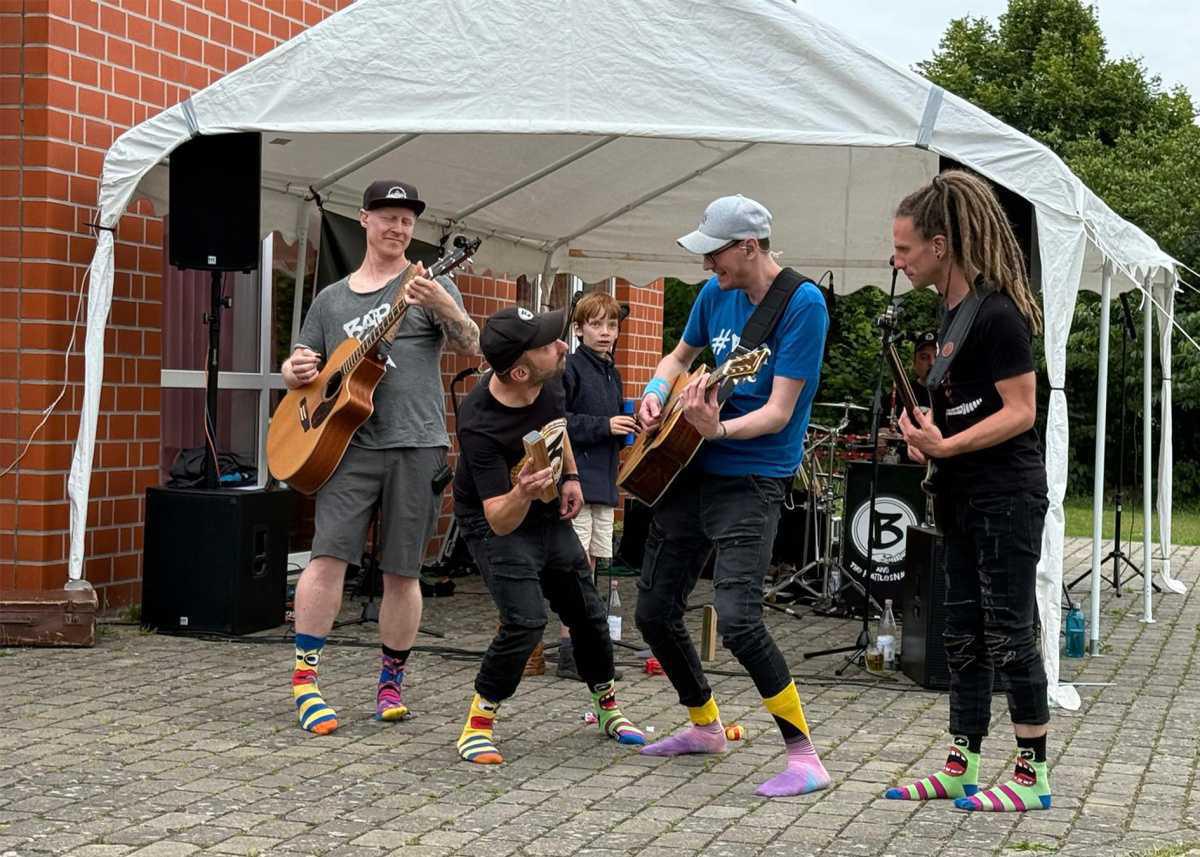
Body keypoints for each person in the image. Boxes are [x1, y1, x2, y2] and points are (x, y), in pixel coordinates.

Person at [635, 195, 831, 798]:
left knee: (741, 620)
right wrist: (656, 389)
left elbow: (776, 412)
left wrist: (718, 428)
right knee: (653, 611)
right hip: (689, 467)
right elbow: (678, 355)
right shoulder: (712, 295)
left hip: (753, 475)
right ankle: (704, 726)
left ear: (749, 246)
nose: (706, 265)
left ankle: (805, 756)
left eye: (714, 253)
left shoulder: (802, 304)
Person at [283, 179, 481, 735]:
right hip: (345, 444)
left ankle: (390, 680)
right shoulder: (331, 299)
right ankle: (305, 681)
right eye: (388, 217)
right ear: (365, 220)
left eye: (408, 220)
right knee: (327, 557)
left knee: (403, 569)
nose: (398, 228)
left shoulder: (425, 284)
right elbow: (304, 360)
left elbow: (472, 345)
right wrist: (294, 367)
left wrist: (444, 301)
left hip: (417, 443)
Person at [887, 170, 1052, 812]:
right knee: (961, 629)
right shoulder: (950, 311)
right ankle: (963, 761)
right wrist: (924, 434)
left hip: (1005, 493)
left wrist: (947, 446)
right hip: (958, 490)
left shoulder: (1000, 312)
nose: (896, 262)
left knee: (1009, 629)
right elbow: (961, 409)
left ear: (940, 244)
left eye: (903, 250)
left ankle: (1033, 771)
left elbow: (1020, 410)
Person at [452, 306, 644, 764]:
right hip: (496, 518)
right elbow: (497, 517)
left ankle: (607, 707)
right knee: (524, 621)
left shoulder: (552, 381)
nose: (562, 346)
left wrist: (572, 478)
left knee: (588, 612)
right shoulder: (479, 423)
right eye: (547, 344)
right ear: (519, 370)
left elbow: (560, 432)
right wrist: (521, 492)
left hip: (545, 508)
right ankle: (477, 723)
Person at [556, 291, 637, 681]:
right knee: (574, 567)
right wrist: (604, 426)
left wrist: (630, 431)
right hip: (577, 482)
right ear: (578, 329)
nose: (605, 332)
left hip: (604, 482)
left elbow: (611, 426)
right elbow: (559, 422)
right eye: (596, 324)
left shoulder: (613, 372)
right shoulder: (570, 368)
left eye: (612, 325)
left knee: (591, 564)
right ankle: (569, 651)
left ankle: (587, 647)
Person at [912, 330, 937, 409]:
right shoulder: (903, 395)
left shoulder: (954, 395)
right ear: (914, 363)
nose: (932, 363)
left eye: (937, 356)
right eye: (924, 357)